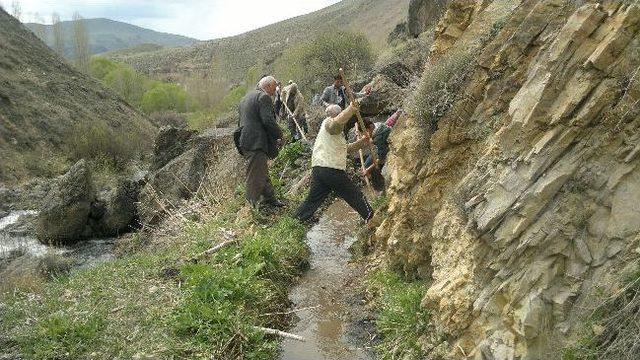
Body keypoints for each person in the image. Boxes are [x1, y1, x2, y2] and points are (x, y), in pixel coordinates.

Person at [294, 102, 374, 222]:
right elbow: (335, 124)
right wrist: (351, 109)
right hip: (331, 169)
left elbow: (345, 149)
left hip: (320, 169)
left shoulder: (333, 132)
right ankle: (370, 217)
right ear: (335, 115)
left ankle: (296, 220)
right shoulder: (329, 124)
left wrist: (362, 142)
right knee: (354, 194)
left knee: (312, 200)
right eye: (340, 114)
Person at [238, 75, 284, 208]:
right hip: (256, 142)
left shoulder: (245, 98)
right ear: (268, 86)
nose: (275, 90)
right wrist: (279, 134)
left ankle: (270, 199)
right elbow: (268, 121)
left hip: (246, 141)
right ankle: (251, 208)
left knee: (260, 170)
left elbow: (241, 122)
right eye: (274, 87)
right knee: (255, 176)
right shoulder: (263, 97)